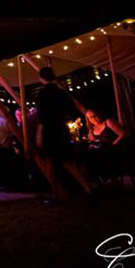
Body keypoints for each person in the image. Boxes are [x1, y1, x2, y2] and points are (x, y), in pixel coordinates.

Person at [35, 67, 93, 199]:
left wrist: (39, 134)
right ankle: (87, 186)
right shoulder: (61, 93)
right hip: (61, 129)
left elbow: (42, 116)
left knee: (50, 161)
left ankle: (56, 193)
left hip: (49, 130)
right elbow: (72, 110)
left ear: (41, 78)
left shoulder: (43, 94)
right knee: (67, 160)